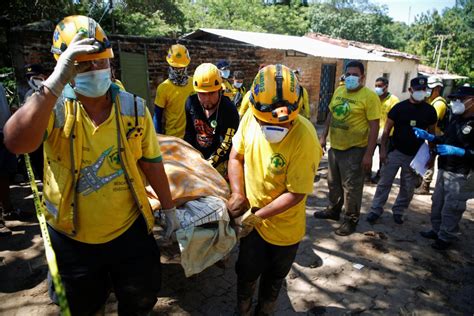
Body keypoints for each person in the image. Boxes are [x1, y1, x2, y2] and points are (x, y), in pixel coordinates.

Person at [3, 15, 177, 314]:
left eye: (100, 62)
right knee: (84, 307)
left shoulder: (133, 108)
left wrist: (169, 206)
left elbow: (152, 162)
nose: (95, 69)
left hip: (129, 233)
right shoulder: (51, 108)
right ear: (65, 67)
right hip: (72, 240)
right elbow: (16, 142)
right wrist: (53, 84)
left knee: (140, 301)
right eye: (82, 64)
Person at [227, 64, 322, 315]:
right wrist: (238, 193)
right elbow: (236, 157)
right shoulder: (250, 117)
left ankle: (265, 310)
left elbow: (296, 193)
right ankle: (243, 309)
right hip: (253, 223)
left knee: (274, 277)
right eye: (264, 121)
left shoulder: (305, 137)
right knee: (246, 272)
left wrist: (258, 215)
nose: (273, 128)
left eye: (283, 123)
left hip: (285, 230)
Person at [314, 60, 380, 236]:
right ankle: (334, 210)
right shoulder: (339, 90)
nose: (351, 78)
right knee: (332, 183)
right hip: (335, 146)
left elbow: (375, 127)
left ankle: (351, 219)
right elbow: (331, 114)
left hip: (355, 149)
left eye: (355, 75)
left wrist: (369, 154)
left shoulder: (369, 97)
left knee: (351, 187)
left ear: (363, 77)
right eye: (348, 74)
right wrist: (323, 136)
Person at [366, 76, 437, 225]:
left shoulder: (430, 111)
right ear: (411, 90)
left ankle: (399, 211)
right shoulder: (399, 108)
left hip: (415, 155)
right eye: (417, 89)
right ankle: (375, 210)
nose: (420, 92)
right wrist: (383, 151)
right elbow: (386, 131)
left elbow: (431, 135)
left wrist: (431, 156)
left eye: (423, 90)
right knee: (384, 182)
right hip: (395, 151)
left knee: (407, 187)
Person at [415, 86, 474, 250]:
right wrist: (431, 137)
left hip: (461, 172)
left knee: (452, 206)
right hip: (445, 167)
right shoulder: (456, 118)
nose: (456, 103)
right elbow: (446, 138)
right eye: (454, 99)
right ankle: (436, 230)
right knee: (438, 202)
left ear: (472, 101)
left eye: (460, 100)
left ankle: (446, 236)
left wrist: (461, 152)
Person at [184, 63, 239, 177]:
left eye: (212, 93)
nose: (207, 99)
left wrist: (209, 164)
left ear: (219, 89)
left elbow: (226, 143)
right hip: (196, 160)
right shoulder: (191, 103)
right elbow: (189, 133)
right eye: (202, 94)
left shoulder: (229, 109)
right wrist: (189, 157)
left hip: (221, 161)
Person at [415, 76, 448, 195]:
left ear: (438, 88)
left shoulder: (439, 103)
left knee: (430, 157)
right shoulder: (430, 101)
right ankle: (419, 181)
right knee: (423, 157)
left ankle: (426, 185)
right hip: (428, 134)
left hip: (435, 135)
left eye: (431, 88)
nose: (428, 90)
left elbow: (431, 121)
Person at [154, 43, 194, 138]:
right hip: (173, 137)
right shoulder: (164, 87)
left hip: (192, 136)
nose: (179, 70)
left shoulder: (193, 83)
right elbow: (157, 116)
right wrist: (158, 138)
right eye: (175, 67)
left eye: (181, 67)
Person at [372, 77, 400, 183]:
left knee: (383, 155)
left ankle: (381, 175)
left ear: (386, 87)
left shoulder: (394, 100)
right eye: (376, 86)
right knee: (369, 152)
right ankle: (366, 173)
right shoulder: (373, 98)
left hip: (387, 133)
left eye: (379, 86)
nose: (377, 88)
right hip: (373, 131)